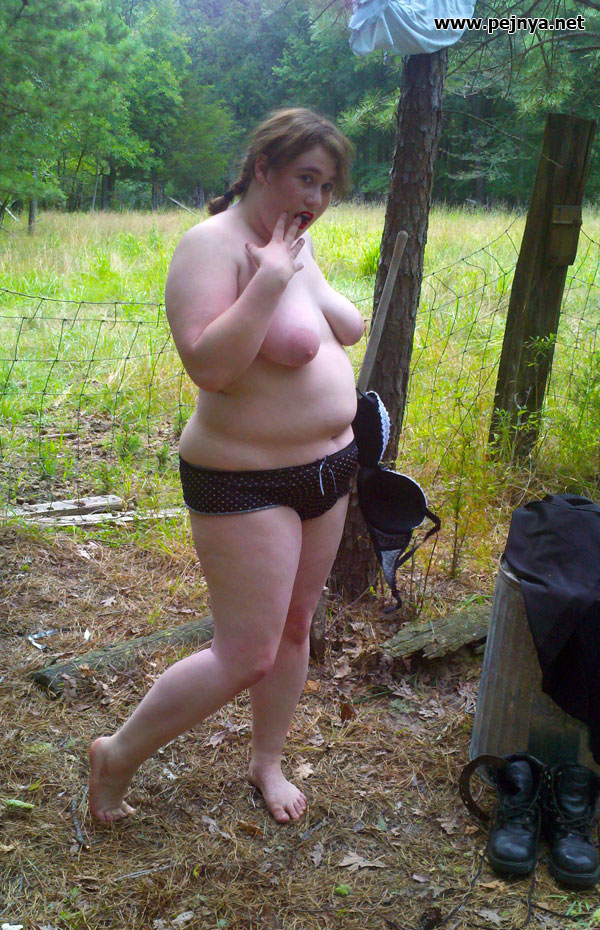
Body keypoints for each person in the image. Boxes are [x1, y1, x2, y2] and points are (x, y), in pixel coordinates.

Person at [89, 107, 366, 824]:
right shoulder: (210, 247)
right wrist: (269, 280)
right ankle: (116, 755)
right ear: (262, 167)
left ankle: (267, 761)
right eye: (306, 179)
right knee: (245, 652)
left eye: (328, 186)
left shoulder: (296, 242)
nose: (317, 199)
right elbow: (208, 366)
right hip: (245, 482)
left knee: (296, 628)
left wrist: (296, 272)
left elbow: (335, 323)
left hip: (328, 471)